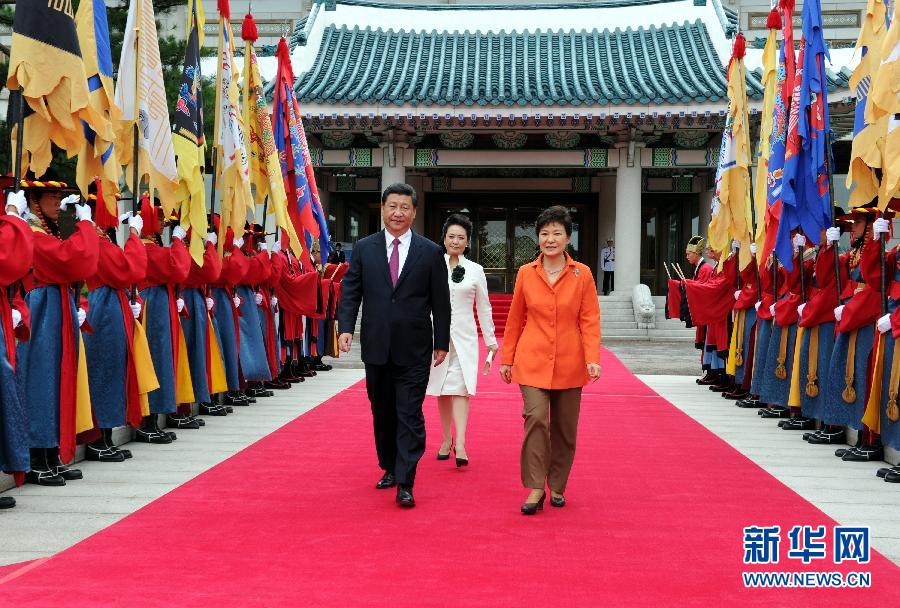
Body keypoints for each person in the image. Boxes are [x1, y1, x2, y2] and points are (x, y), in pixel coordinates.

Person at [337, 183, 451, 508]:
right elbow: (351, 291)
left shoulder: (430, 252)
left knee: (409, 413)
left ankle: (405, 480)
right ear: (383, 209)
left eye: (405, 207)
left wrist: (441, 340)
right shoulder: (364, 248)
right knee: (382, 411)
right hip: (376, 345)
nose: (398, 213)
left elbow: (441, 302)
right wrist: (346, 327)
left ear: (414, 212)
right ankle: (388, 465)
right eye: (392, 206)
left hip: (414, 347)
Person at [500, 205, 601, 515]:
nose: (550, 239)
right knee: (535, 419)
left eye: (557, 233)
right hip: (531, 360)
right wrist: (507, 358)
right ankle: (534, 487)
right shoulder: (526, 273)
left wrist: (592, 358)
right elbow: (515, 318)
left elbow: (589, 319)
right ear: (538, 239)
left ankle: (557, 484)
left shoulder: (581, 273)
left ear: (568, 238)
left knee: (565, 428)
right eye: (545, 233)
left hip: (571, 362)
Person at [425, 213, 498, 467]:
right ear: (444, 239)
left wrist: (491, 340)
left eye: (461, 237)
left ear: (468, 242)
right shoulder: (431, 265)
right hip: (437, 338)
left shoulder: (476, 270)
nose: (455, 241)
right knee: (442, 390)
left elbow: (484, 307)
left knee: (462, 389)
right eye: (451, 236)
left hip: (465, 338)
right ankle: (446, 439)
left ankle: (462, 442)